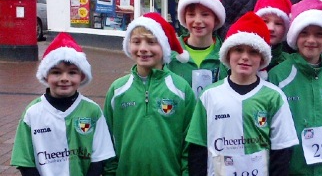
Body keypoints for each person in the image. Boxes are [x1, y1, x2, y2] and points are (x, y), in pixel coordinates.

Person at [186, 11, 299, 176]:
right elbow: (198, 149)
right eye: (238, 50)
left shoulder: (274, 96)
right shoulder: (209, 95)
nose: (245, 57)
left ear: (262, 58)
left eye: (253, 52)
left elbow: (281, 151)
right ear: (228, 54)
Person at [103, 12, 196, 175]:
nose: (143, 49)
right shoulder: (118, 90)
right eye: (136, 42)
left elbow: (189, 142)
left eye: (152, 42)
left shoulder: (181, 89)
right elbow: (107, 139)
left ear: (164, 46)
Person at [11, 32, 115, 176]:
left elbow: (99, 158)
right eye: (56, 72)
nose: (64, 78)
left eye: (72, 73)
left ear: (82, 76)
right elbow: (24, 161)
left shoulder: (93, 111)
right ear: (45, 75)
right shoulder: (32, 113)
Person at [269, 0, 322, 176]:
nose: (311, 40)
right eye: (304, 33)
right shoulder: (278, 75)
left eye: (319, 34)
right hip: (290, 170)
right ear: (295, 36)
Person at [167, 0, 228, 98]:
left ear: (216, 19)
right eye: (191, 14)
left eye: (205, 15)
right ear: (184, 17)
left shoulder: (226, 56)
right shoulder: (169, 54)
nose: (198, 20)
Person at [254, 0, 292, 72]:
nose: (271, 28)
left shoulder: (290, 64)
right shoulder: (241, 57)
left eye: (278, 23)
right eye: (265, 21)